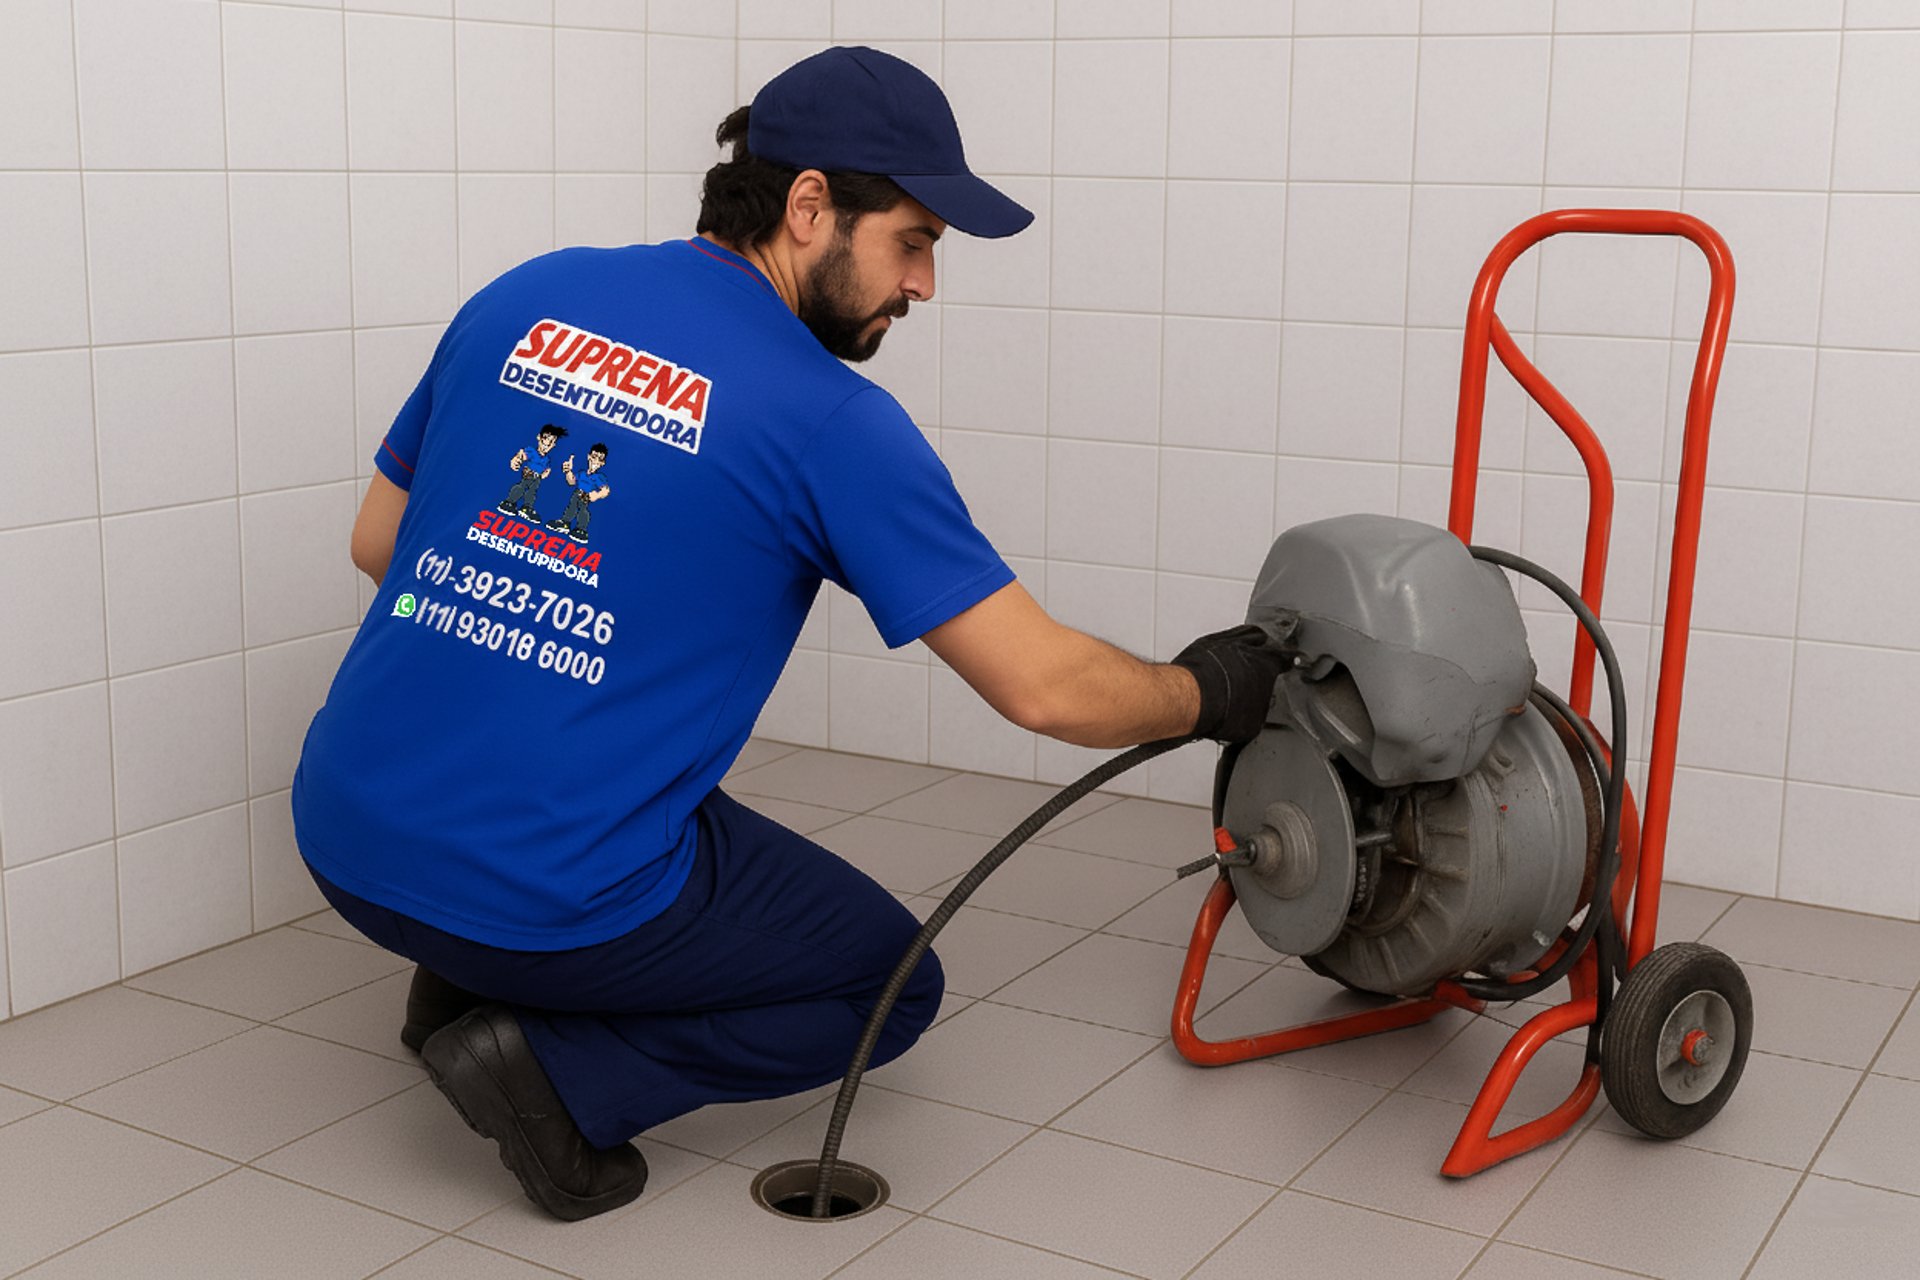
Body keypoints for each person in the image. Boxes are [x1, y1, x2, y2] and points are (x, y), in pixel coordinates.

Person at [292, 45, 1286, 1223]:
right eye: (912, 241)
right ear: (809, 206)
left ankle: (457, 983)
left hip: (344, 834)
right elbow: (1045, 689)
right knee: (888, 984)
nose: (924, 284)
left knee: (571, 768)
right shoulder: (829, 420)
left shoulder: (526, 295)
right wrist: (1208, 689)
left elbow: (376, 540)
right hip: (542, 887)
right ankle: (550, 1069)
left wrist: (537, 621)